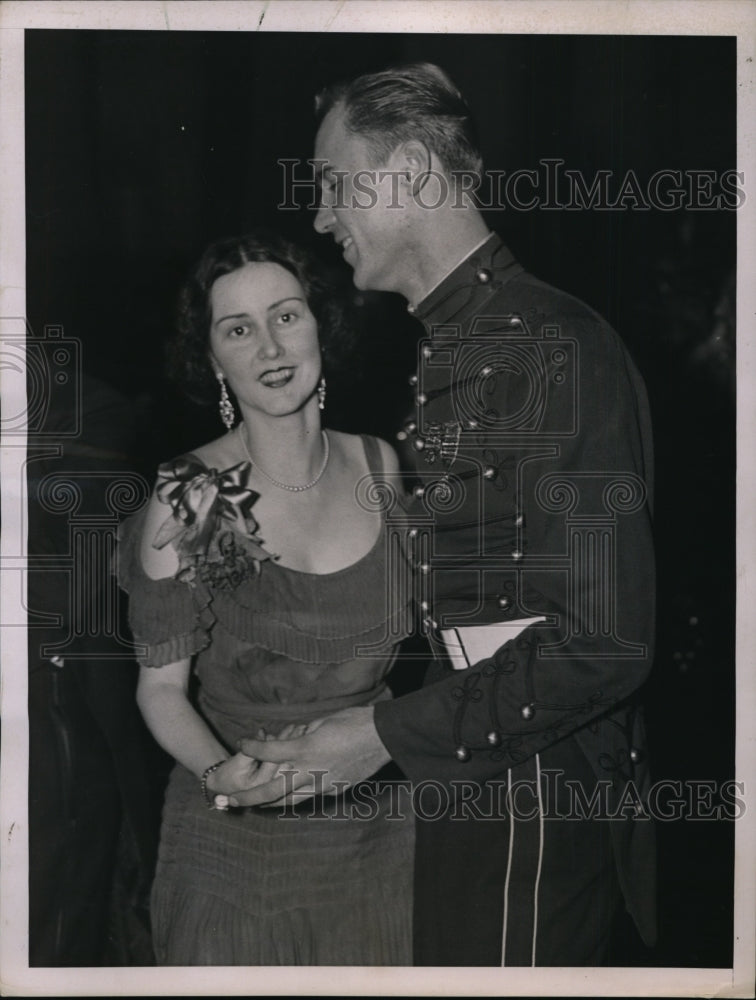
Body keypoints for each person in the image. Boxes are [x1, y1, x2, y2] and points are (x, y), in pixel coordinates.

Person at [233, 64, 657, 968]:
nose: (319, 217)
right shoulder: (460, 342)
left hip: (537, 790)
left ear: (417, 172)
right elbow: (486, 615)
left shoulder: (552, 345)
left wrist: (379, 737)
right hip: (480, 771)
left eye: (336, 184)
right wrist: (354, 723)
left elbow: (603, 641)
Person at [115, 230, 414, 965]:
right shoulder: (195, 495)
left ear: (322, 326)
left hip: (379, 842)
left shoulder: (383, 465)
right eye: (238, 329)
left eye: (286, 316)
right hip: (234, 844)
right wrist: (223, 773)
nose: (269, 348)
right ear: (214, 360)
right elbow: (160, 692)